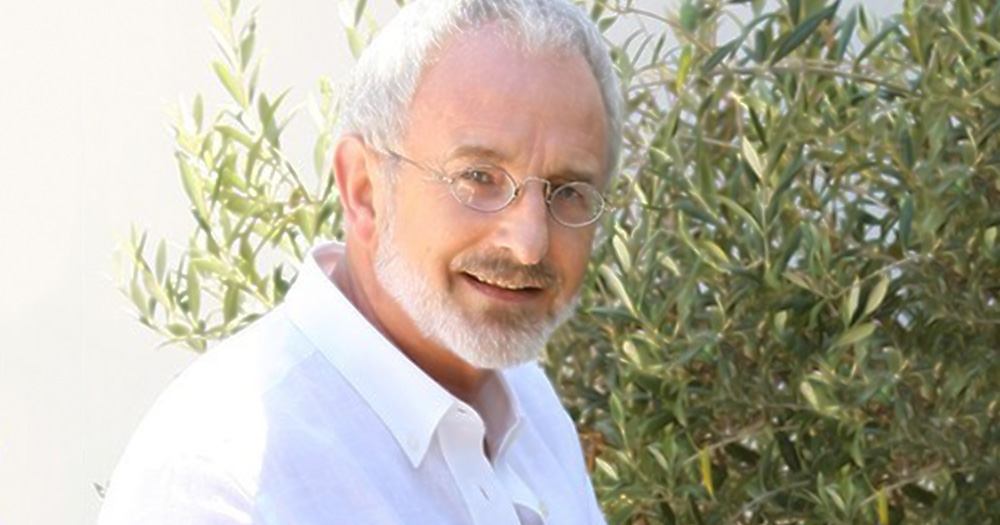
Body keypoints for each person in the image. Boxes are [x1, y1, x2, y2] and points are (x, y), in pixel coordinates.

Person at [98, 0, 624, 522]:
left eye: (568, 190)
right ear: (365, 188)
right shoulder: (225, 474)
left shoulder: (528, 401)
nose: (528, 243)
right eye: (478, 177)